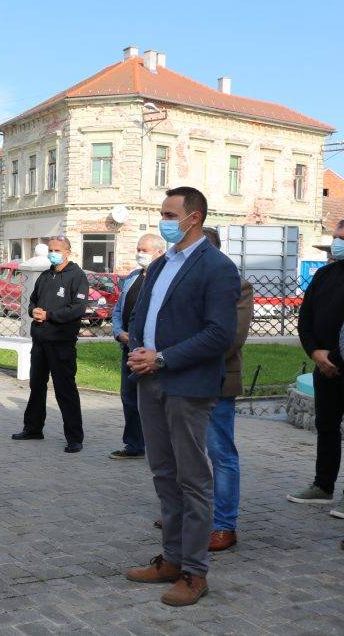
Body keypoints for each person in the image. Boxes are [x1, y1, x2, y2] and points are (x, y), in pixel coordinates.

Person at [123, 187, 239, 607]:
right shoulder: (161, 264)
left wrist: (163, 359)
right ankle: (171, 559)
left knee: (193, 480)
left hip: (187, 386)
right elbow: (141, 315)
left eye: (170, 214)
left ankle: (195, 572)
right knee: (163, 475)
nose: (163, 220)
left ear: (195, 218)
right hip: (150, 382)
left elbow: (219, 334)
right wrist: (137, 351)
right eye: (162, 213)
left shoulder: (217, 267)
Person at [200, 226, 254, 552]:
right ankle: (190, 512)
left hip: (217, 379)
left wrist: (182, 353)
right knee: (185, 452)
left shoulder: (238, 286)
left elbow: (231, 337)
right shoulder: (182, 282)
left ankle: (224, 524)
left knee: (220, 453)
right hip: (181, 379)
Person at [12, 236, 90, 453]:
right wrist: (33, 311)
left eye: (57, 250)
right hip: (40, 341)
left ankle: (74, 437)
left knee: (65, 389)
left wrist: (49, 315)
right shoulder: (46, 275)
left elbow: (77, 308)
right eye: (51, 250)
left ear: (68, 252)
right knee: (36, 386)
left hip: (61, 342)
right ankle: (33, 428)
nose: (53, 253)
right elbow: (33, 300)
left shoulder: (77, 276)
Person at [288, 219, 344, 514]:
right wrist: (315, 353)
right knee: (327, 426)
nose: (337, 242)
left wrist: (335, 357)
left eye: (342, 238)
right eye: (336, 237)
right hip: (324, 367)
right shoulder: (324, 274)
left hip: (337, 363)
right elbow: (305, 317)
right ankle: (323, 486)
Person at [109, 234, 165, 460]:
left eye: (144, 250)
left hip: (150, 352)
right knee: (129, 398)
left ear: (159, 253)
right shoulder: (132, 277)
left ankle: (159, 448)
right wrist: (118, 332)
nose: (139, 254)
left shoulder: (163, 279)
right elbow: (118, 310)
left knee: (153, 401)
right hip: (128, 348)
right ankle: (134, 445)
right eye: (138, 249)